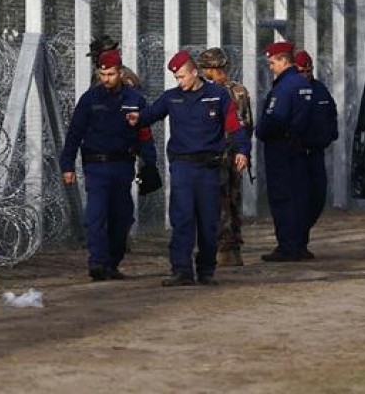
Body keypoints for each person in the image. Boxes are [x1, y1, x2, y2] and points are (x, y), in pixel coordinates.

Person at [127, 50, 251, 286]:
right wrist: (136, 118)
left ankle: (206, 270)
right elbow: (151, 114)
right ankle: (181, 270)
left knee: (208, 221)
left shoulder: (217, 96)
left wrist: (242, 150)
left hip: (209, 167)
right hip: (183, 166)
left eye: (183, 76)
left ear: (195, 72)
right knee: (182, 219)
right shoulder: (171, 97)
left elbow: (234, 126)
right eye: (176, 78)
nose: (180, 82)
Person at [60, 49, 158, 281]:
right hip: (96, 165)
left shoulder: (134, 99)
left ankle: (112, 262)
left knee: (122, 216)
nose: (106, 79)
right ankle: (97, 262)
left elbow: (144, 134)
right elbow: (75, 133)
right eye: (102, 74)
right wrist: (67, 165)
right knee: (95, 214)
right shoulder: (90, 99)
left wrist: (150, 164)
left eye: (111, 74)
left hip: (123, 165)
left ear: (121, 73)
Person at [255, 41, 313, 262]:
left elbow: (274, 119)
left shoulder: (284, 87)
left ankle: (287, 246)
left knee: (282, 198)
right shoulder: (303, 83)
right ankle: (298, 244)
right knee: (298, 197)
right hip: (298, 147)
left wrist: (261, 131)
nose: (271, 68)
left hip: (280, 148)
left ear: (283, 60)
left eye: (272, 63)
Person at [197, 47, 254, 267]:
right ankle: (233, 249)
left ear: (211, 69)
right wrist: (242, 150)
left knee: (216, 201)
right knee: (233, 200)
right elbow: (248, 125)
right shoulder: (239, 91)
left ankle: (222, 249)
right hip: (235, 154)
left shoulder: (207, 92)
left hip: (215, 154)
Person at [294, 50, 339, 257]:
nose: (305, 74)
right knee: (299, 199)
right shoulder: (290, 91)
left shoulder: (320, 90)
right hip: (297, 155)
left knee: (317, 197)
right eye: (301, 71)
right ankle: (297, 242)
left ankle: (301, 236)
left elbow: (331, 113)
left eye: (308, 70)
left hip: (316, 153)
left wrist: (330, 135)